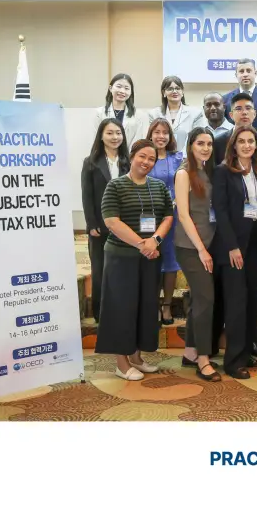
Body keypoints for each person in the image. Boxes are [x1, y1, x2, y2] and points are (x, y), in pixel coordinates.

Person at [94, 140, 174, 381]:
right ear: (131, 157)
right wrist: (142, 244)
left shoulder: (158, 186)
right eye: (142, 156)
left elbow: (168, 216)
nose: (146, 162)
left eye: (151, 159)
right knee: (122, 308)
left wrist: (155, 241)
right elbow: (111, 221)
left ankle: (137, 358)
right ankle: (121, 363)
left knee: (145, 307)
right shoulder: (115, 185)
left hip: (150, 256)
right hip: (122, 257)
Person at [212, 126, 257, 379]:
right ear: (234, 146)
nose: (247, 145)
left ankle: (246, 351)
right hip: (233, 246)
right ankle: (233, 361)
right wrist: (232, 246)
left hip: (255, 243)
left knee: (252, 299)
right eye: (242, 141)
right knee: (236, 302)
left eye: (251, 141)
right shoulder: (223, 171)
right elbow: (221, 211)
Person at [174, 127, 220, 382]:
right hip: (191, 247)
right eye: (200, 143)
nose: (205, 148)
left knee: (199, 299)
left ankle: (190, 351)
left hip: (208, 243)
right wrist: (201, 249)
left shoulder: (206, 170)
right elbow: (183, 215)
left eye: (209, 144)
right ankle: (203, 358)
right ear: (190, 145)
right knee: (205, 299)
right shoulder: (184, 173)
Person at [81, 118, 129, 323]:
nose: (114, 137)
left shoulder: (128, 161)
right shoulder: (91, 162)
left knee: (123, 269)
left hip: (125, 225)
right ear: (101, 136)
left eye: (118, 133)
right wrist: (91, 223)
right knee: (100, 270)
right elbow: (87, 195)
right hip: (100, 226)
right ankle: (100, 313)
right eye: (110, 133)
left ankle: (121, 309)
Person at [145, 118, 184, 326]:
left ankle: (167, 305)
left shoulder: (177, 158)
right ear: (150, 134)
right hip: (148, 218)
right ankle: (151, 305)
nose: (161, 136)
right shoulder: (144, 156)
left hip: (173, 217)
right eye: (157, 132)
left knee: (170, 262)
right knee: (150, 259)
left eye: (165, 132)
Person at [213, 91, 257, 165]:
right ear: (231, 115)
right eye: (239, 109)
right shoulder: (218, 142)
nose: (244, 112)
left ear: (254, 114)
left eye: (248, 108)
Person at [148, 76, 207, 150]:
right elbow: (150, 139)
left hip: (186, 155)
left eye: (178, 88)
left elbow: (199, 139)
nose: (174, 91)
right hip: (161, 154)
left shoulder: (196, 113)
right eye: (170, 89)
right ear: (164, 92)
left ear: (182, 92)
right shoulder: (154, 114)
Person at [222, 57, 257, 135]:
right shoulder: (226, 99)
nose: (245, 74)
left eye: (249, 71)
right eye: (241, 71)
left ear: (255, 73)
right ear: (236, 75)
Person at [93, 73, 146, 148]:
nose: (122, 91)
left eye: (126, 88)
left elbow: (138, 141)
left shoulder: (138, 114)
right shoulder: (99, 113)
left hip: (130, 154)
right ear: (110, 88)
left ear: (131, 92)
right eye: (119, 86)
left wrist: (128, 155)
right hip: (105, 154)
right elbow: (96, 139)